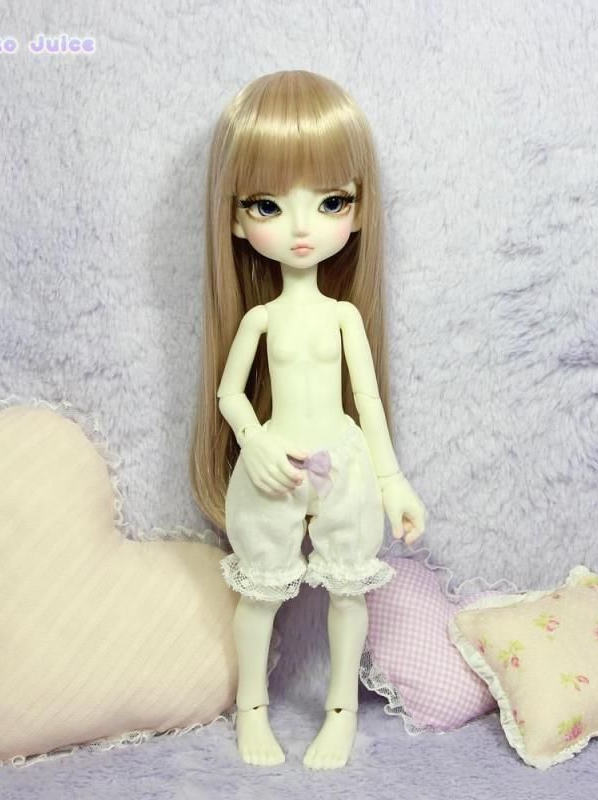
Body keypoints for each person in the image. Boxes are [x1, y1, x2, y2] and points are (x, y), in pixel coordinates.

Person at [189, 70, 426, 770]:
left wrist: (392, 481)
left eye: (329, 202)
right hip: (274, 465)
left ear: (358, 209)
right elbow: (230, 395)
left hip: (343, 463)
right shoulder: (259, 319)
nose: (301, 228)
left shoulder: (345, 316)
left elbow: (368, 401)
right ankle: (253, 711)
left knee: (349, 590)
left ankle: (340, 712)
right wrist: (254, 442)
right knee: (259, 594)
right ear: (236, 218)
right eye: (268, 204)